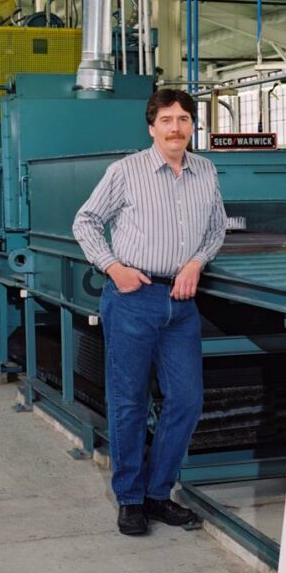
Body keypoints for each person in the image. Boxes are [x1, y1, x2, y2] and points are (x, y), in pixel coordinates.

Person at [72, 88, 227, 536]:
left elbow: (216, 228)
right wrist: (113, 267)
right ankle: (131, 499)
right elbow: (85, 220)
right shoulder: (125, 171)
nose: (175, 127)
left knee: (186, 400)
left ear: (192, 125)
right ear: (151, 127)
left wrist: (197, 262)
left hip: (181, 304)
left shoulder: (206, 172)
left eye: (183, 119)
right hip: (133, 298)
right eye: (166, 120)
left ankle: (159, 494)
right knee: (129, 401)